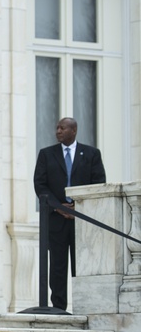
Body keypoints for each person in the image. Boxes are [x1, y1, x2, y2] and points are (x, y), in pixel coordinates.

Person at [32, 117, 106, 310]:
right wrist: (59, 207)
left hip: (82, 221)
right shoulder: (46, 154)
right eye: (57, 127)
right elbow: (40, 184)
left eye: (62, 128)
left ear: (74, 131)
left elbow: (99, 184)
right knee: (57, 266)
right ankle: (58, 308)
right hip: (56, 219)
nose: (58, 131)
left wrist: (80, 208)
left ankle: (84, 307)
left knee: (81, 266)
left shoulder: (91, 154)